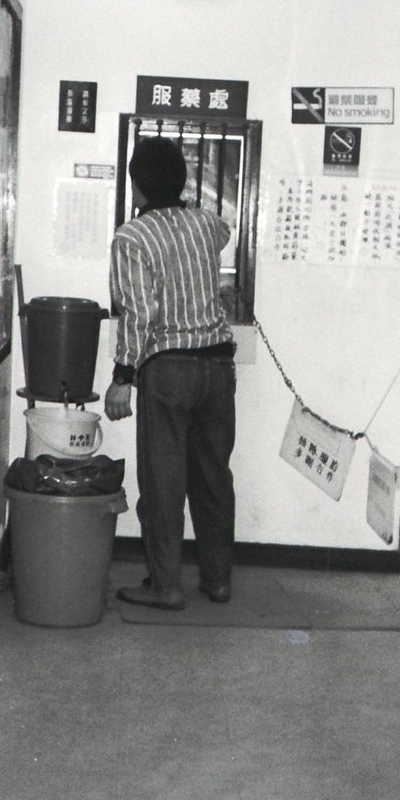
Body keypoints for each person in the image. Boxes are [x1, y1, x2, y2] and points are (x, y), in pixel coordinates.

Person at [104, 135, 236, 611]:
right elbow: (225, 231)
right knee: (213, 477)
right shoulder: (206, 223)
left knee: (163, 481)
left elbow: (139, 312)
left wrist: (123, 377)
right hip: (219, 368)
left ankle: (166, 585)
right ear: (181, 181)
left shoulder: (131, 237)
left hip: (170, 372)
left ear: (137, 185)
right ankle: (218, 580)